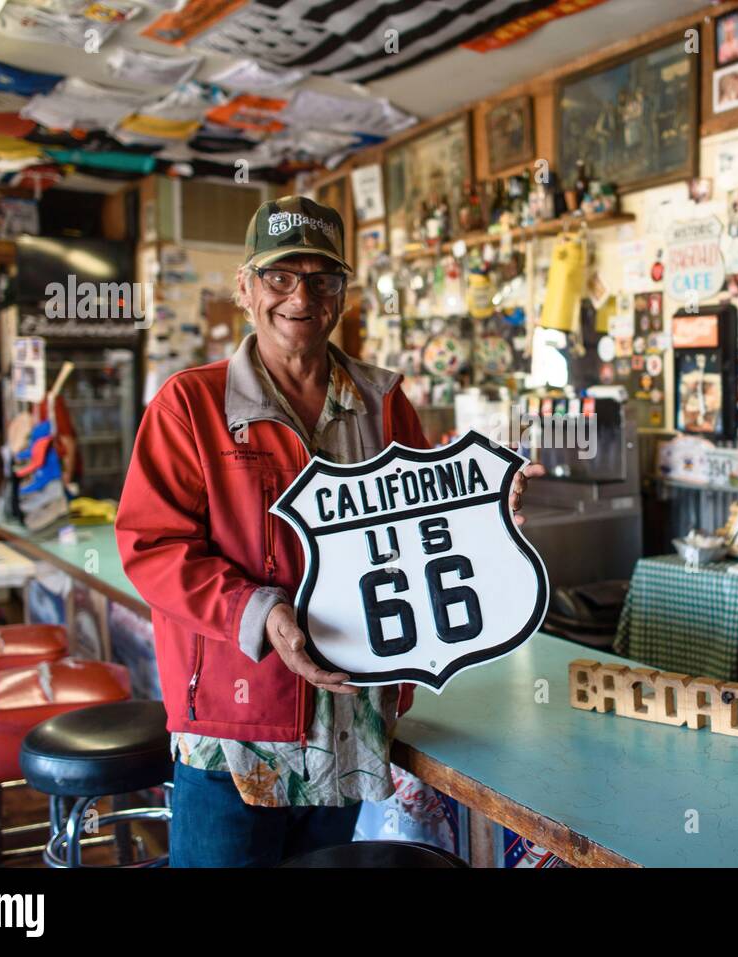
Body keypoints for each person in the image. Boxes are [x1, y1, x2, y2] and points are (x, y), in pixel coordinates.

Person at [115, 196, 543, 866]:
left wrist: (486, 514)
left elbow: (417, 529)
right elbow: (151, 547)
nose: (301, 296)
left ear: (342, 292)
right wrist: (263, 611)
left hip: (349, 717)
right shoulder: (191, 404)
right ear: (245, 288)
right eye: (281, 276)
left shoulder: (381, 400)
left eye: (322, 279)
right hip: (237, 727)